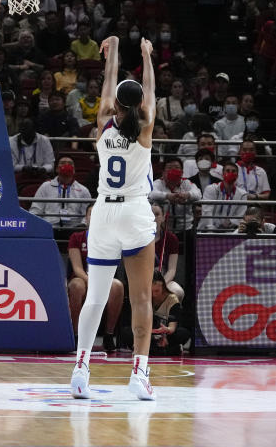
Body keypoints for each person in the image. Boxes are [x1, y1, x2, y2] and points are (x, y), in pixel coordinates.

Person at [71, 36, 158, 401]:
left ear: (116, 105)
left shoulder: (103, 125)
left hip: (104, 211)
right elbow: (149, 95)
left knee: (95, 296)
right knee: (141, 299)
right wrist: (147, 57)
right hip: (135, 212)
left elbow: (109, 91)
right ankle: (139, 374)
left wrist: (114, 53)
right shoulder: (146, 127)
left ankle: (80, 368)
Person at [67, 204, 123, 352]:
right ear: (86, 217)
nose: (94, 216)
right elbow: (77, 268)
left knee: (117, 285)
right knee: (76, 286)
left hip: (103, 277)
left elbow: (112, 266)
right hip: (83, 278)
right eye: (91, 213)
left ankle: (109, 335)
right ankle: (76, 335)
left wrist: (100, 282)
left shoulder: (111, 238)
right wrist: (90, 281)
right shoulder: (76, 237)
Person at [122, 271, 189, 356]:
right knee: (126, 332)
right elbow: (139, 321)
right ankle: (165, 350)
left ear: (163, 287)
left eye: (157, 291)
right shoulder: (144, 298)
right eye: (151, 291)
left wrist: (166, 331)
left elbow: (172, 326)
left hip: (165, 333)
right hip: (147, 333)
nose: (154, 295)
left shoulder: (172, 299)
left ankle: (152, 349)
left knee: (183, 333)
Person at [29, 155, 92, 231]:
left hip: (73, 230)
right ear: (56, 169)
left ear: (74, 170)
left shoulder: (83, 190)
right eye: (62, 163)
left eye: (70, 163)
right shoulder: (45, 186)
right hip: (49, 228)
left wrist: (81, 226)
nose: (66, 165)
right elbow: (36, 210)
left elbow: (87, 215)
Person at [148, 157, 201, 235]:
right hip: (163, 230)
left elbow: (198, 194)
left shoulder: (186, 183)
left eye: (177, 168)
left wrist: (187, 195)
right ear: (163, 172)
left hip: (186, 229)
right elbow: (151, 193)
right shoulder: (158, 183)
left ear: (182, 172)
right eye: (169, 168)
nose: (173, 171)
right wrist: (168, 196)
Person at [198, 161, 248, 231]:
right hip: (208, 230)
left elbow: (240, 216)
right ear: (222, 174)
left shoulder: (243, 194)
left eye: (233, 171)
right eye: (227, 171)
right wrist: (212, 230)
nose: (230, 173)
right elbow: (207, 212)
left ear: (237, 175)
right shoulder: (211, 189)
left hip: (230, 230)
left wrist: (230, 222)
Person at [150, 204, 184, 300]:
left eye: (157, 214)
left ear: (163, 217)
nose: (154, 218)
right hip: (143, 280)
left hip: (164, 279)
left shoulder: (171, 239)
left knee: (178, 292)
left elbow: (172, 270)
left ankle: (165, 314)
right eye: (150, 214)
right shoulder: (139, 239)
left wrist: (162, 285)